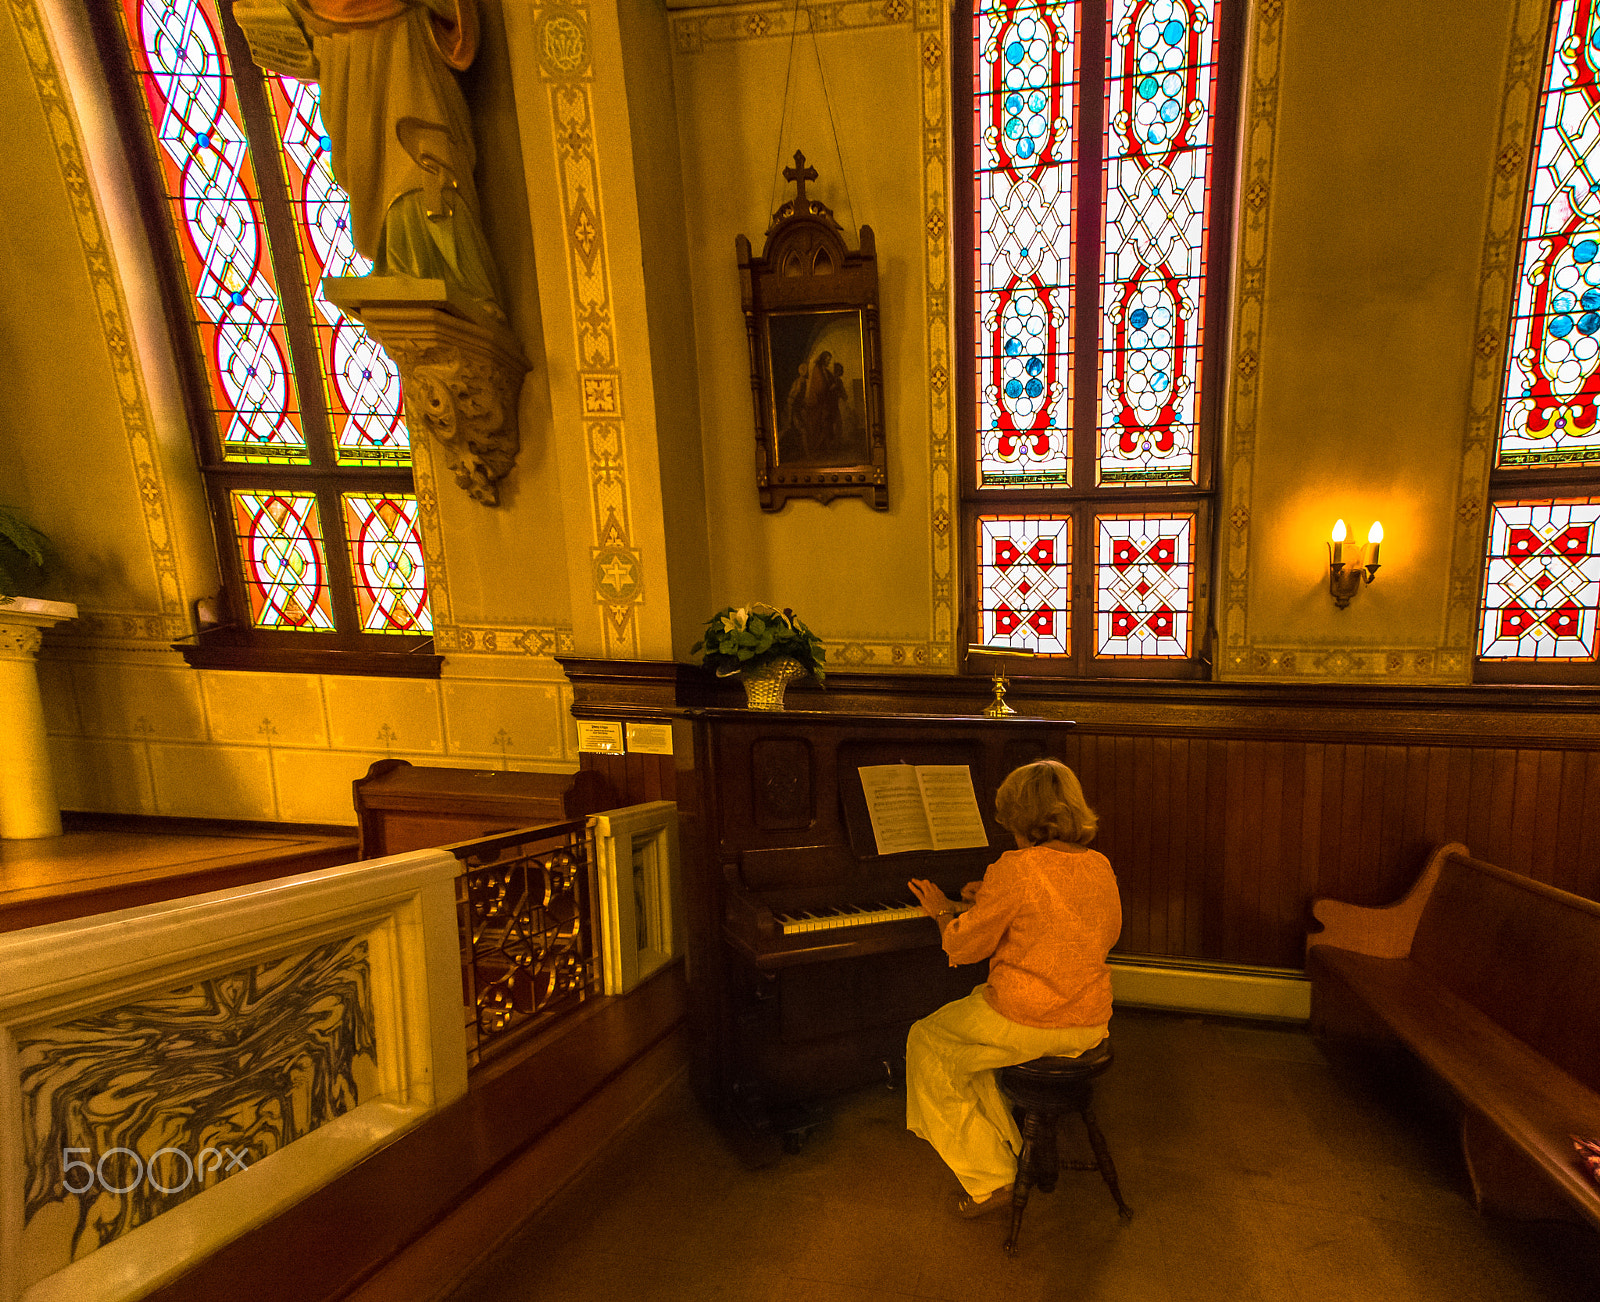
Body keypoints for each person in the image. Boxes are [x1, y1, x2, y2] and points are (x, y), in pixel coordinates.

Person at [905, 759, 1122, 1217]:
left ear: (1018, 817)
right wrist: (990, 897)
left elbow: (965, 947)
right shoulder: (1100, 864)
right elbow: (1078, 925)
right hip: (1089, 1021)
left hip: (1029, 1020)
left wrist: (944, 910)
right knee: (965, 1055)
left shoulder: (1016, 868)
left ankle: (991, 1178)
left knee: (926, 1039)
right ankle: (1009, 1151)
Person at [232, 0, 505, 324]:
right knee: (376, 174)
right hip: (345, 59)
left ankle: (463, 285)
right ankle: (400, 267)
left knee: (423, 167)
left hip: (404, 51)